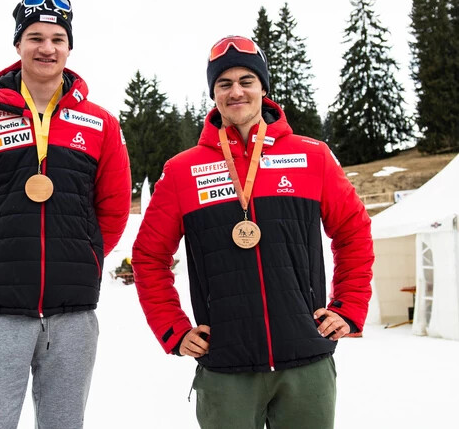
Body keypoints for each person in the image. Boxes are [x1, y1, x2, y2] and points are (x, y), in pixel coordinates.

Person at [132, 36, 373, 428]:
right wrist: (172, 328)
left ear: (263, 87)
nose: (236, 91)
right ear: (213, 93)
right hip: (227, 368)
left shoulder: (312, 156)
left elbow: (353, 232)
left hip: (306, 362)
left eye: (247, 80)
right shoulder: (182, 171)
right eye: (224, 83)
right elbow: (148, 256)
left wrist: (348, 309)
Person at [0, 0, 131, 429]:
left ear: (69, 46)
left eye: (57, 38)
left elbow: (114, 209)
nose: (47, 48)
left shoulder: (100, 124)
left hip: (73, 313)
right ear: (18, 44)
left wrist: (85, 255)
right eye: (35, 37)